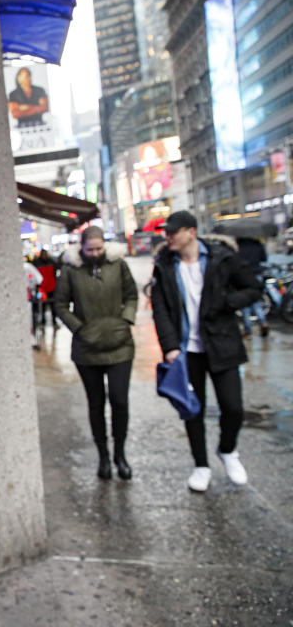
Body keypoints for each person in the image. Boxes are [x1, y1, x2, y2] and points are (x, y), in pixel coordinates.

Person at [151, 211, 262, 492]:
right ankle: (201, 465)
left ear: (191, 232)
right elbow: (161, 308)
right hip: (187, 352)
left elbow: (253, 288)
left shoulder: (221, 257)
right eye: (166, 232)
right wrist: (170, 347)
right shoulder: (164, 264)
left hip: (222, 343)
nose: (168, 237)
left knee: (233, 407)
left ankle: (228, 450)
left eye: (173, 232)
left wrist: (227, 302)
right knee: (192, 411)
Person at [55, 227, 138, 480]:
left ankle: (120, 454)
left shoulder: (118, 265)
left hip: (120, 343)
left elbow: (132, 296)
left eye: (98, 248)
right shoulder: (70, 271)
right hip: (86, 347)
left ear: (105, 246)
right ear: (81, 248)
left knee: (119, 400)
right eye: (89, 249)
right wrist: (79, 328)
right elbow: (60, 304)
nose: (94, 253)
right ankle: (103, 456)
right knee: (96, 403)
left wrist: (124, 321)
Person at [235, 236, 269, 337]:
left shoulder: (238, 246)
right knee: (255, 300)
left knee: (245, 302)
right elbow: (264, 258)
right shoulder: (258, 245)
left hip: (243, 275)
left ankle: (247, 328)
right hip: (256, 274)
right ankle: (263, 322)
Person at [34, 249, 59, 329]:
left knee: (53, 306)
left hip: (52, 288)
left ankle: (54, 321)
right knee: (42, 306)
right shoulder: (37, 263)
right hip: (42, 289)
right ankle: (43, 322)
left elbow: (55, 273)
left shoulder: (52, 262)